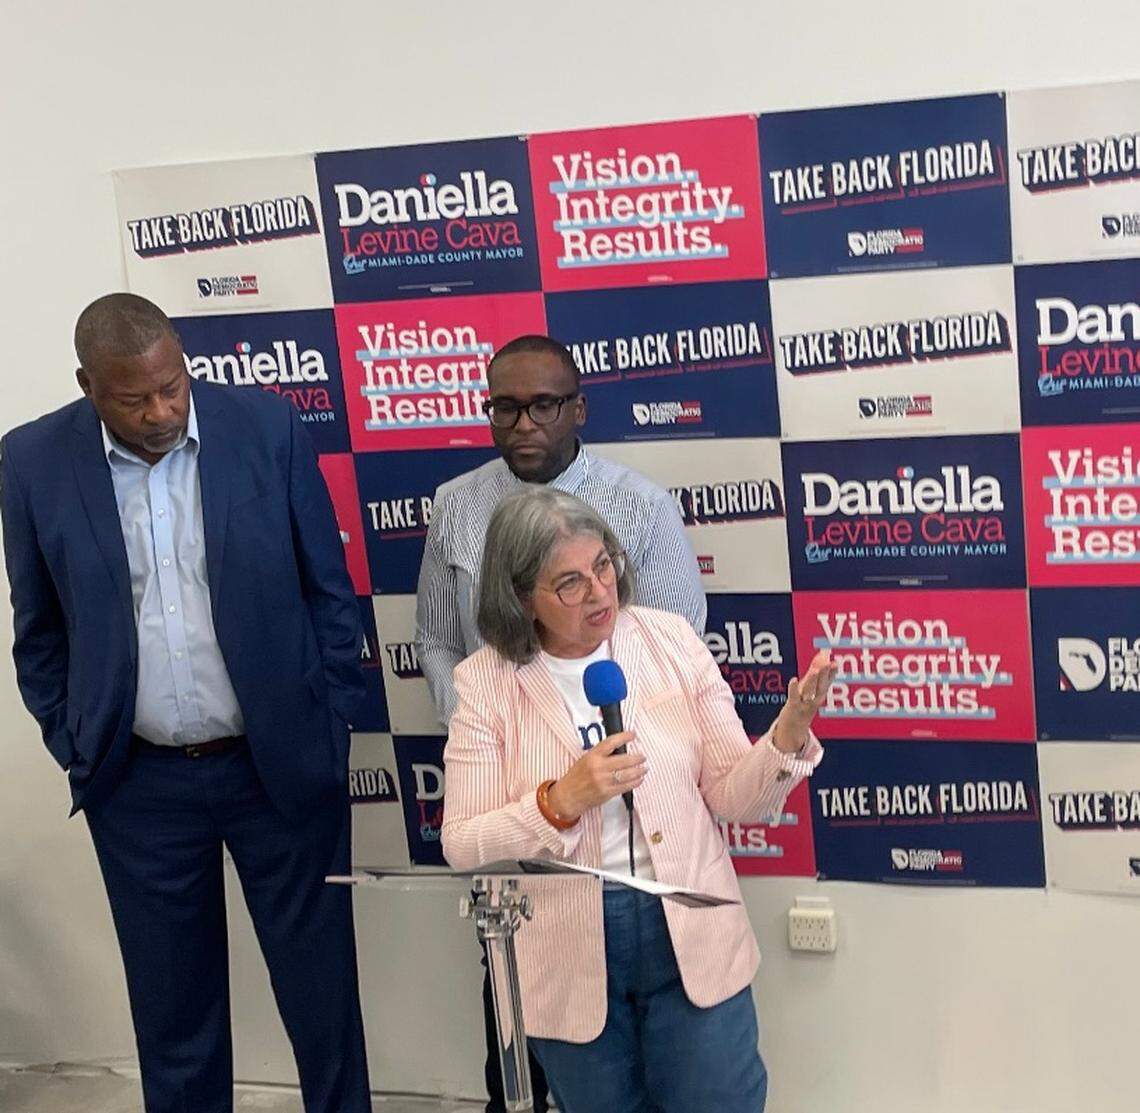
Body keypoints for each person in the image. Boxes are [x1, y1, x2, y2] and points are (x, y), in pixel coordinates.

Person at [0, 293, 371, 1113]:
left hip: (277, 765)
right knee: (174, 1014)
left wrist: (330, 720)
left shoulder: (264, 427)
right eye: (136, 398)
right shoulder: (30, 461)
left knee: (322, 998)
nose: (164, 409)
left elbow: (328, 589)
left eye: (175, 385)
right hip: (139, 786)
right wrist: (77, 742)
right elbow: (40, 629)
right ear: (88, 386)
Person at [441, 486, 835, 1112]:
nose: (600, 591)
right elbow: (461, 842)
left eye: (603, 565)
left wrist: (787, 735)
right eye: (569, 583)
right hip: (569, 943)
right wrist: (556, 801)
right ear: (522, 599)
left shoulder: (668, 641)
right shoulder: (486, 684)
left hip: (688, 924)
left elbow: (735, 796)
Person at [416, 334, 706, 1111]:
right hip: (512, 798)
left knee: (644, 1020)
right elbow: (440, 639)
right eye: (503, 407)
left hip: (628, 801)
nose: (523, 424)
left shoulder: (637, 503)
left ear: (578, 407)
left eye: (543, 405)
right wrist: (482, 723)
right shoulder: (455, 505)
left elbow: (676, 647)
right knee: (518, 984)